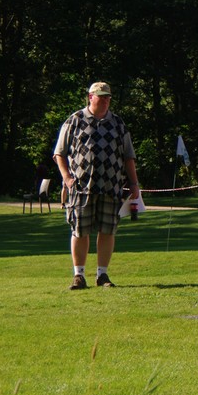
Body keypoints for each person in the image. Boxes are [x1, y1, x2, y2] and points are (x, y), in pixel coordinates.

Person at [53, 81, 141, 289]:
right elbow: (59, 153)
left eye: (108, 97)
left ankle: (102, 275)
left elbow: (128, 156)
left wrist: (134, 183)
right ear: (90, 97)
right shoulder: (75, 120)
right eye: (101, 96)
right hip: (81, 187)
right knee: (80, 230)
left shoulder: (117, 123)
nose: (105, 100)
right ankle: (79, 275)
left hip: (111, 186)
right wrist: (67, 178)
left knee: (108, 230)